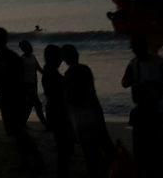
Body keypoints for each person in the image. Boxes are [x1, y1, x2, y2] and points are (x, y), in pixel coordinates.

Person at [0, 27, 42, 173]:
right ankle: (27, 162)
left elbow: (20, 79)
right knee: (15, 132)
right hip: (5, 98)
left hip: (16, 98)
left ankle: (35, 160)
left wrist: (26, 97)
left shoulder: (13, 58)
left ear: (5, 39)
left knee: (18, 132)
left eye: (1, 37)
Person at [122, 36, 163, 178]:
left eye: (137, 48)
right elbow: (125, 82)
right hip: (144, 113)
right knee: (143, 150)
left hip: (158, 111)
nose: (136, 51)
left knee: (161, 148)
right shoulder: (134, 63)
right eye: (134, 48)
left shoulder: (159, 62)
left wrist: (152, 85)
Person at [62, 44, 113, 178]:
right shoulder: (85, 69)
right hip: (91, 110)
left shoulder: (69, 74)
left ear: (65, 59)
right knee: (102, 143)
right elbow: (91, 92)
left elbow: (68, 98)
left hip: (80, 115)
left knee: (89, 150)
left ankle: (97, 171)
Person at [42, 45, 76, 178]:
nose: (61, 60)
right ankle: (62, 172)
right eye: (59, 57)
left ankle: (63, 170)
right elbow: (58, 92)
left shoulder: (49, 72)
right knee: (63, 144)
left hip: (54, 109)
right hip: (58, 110)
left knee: (62, 143)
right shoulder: (52, 74)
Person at [19, 39, 49, 127]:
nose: (30, 48)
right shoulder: (22, 59)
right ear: (24, 48)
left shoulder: (33, 57)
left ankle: (22, 123)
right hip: (26, 84)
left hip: (33, 84)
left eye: (30, 46)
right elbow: (19, 73)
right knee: (37, 104)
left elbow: (38, 68)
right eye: (28, 46)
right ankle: (45, 124)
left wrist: (48, 74)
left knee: (30, 105)